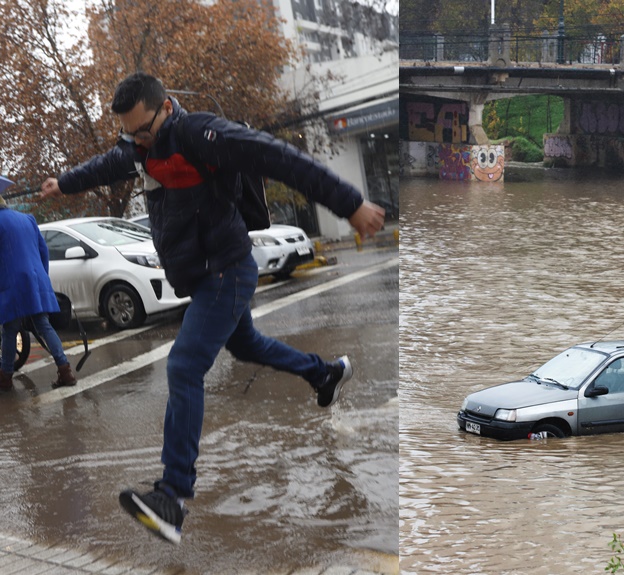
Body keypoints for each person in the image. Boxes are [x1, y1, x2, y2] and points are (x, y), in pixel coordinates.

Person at [40, 72, 386, 545]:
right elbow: (108, 164)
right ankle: (324, 374)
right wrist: (64, 182)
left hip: (227, 269)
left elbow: (277, 157)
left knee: (183, 366)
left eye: (143, 129)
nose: (137, 140)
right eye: (129, 133)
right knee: (246, 343)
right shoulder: (139, 148)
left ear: (164, 108)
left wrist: (350, 205)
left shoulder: (202, 133)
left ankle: (172, 498)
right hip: (204, 275)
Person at [0, 177, 78, 391]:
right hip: (36, 280)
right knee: (43, 325)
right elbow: (43, 252)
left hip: (12, 284)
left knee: (10, 329)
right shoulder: (27, 219)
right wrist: (42, 278)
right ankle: (65, 370)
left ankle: (5, 376)